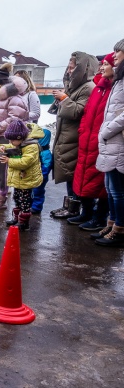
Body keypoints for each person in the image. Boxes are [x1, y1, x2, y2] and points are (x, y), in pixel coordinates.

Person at [50, 51, 99, 219]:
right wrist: (61, 100)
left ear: (83, 69)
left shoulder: (88, 87)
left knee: (74, 175)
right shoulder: (75, 86)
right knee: (68, 172)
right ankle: (70, 206)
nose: (69, 71)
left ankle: (75, 208)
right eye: (68, 68)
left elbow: (78, 111)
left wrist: (64, 99)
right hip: (67, 136)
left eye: (72, 68)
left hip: (76, 138)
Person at [69, 53, 115, 230]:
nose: (102, 68)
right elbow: (87, 112)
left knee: (101, 182)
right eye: (101, 64)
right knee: (83, 177)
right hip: (87, 139)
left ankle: (100, 217)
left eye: (106, 64)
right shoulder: (98, 88)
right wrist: (83, 131)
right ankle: (86, 212)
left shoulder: (113, 89)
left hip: (101, 140)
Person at [0, 63, 29, 210]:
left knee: (2, 168)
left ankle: (2, 196)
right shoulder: (1, 100)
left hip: (7, 138)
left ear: (0, 85)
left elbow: (13, 119)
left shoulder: (15, 99)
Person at [94, 39, 124, 247]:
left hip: (117, 141)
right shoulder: (119, 81)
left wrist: (106, 130)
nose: (113, 55)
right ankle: (112, 222)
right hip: (110, 141)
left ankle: (119, 229)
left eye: (118, 51)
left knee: (118, 190)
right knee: (110, 186)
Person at [0, 120, 43, 231]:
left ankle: (24, 222)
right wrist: (2, 147)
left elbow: (25, 162)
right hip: (19, 179)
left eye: (12, 140)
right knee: (17, 198)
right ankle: (17, 218)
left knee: (25, 201)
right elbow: (9, 145)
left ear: (20, 138)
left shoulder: (31, 146)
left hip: (27, 179)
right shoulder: (18, 143)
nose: (10, 142)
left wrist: (9, 160)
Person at [30, 127, 53, 214]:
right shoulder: (36, 150)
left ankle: (36, 207)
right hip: (33, 174)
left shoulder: (45, 153)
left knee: (38, 190)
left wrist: (42, 175)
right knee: (31, 190)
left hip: (40, 175)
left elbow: (46, 166)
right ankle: (30, 204)